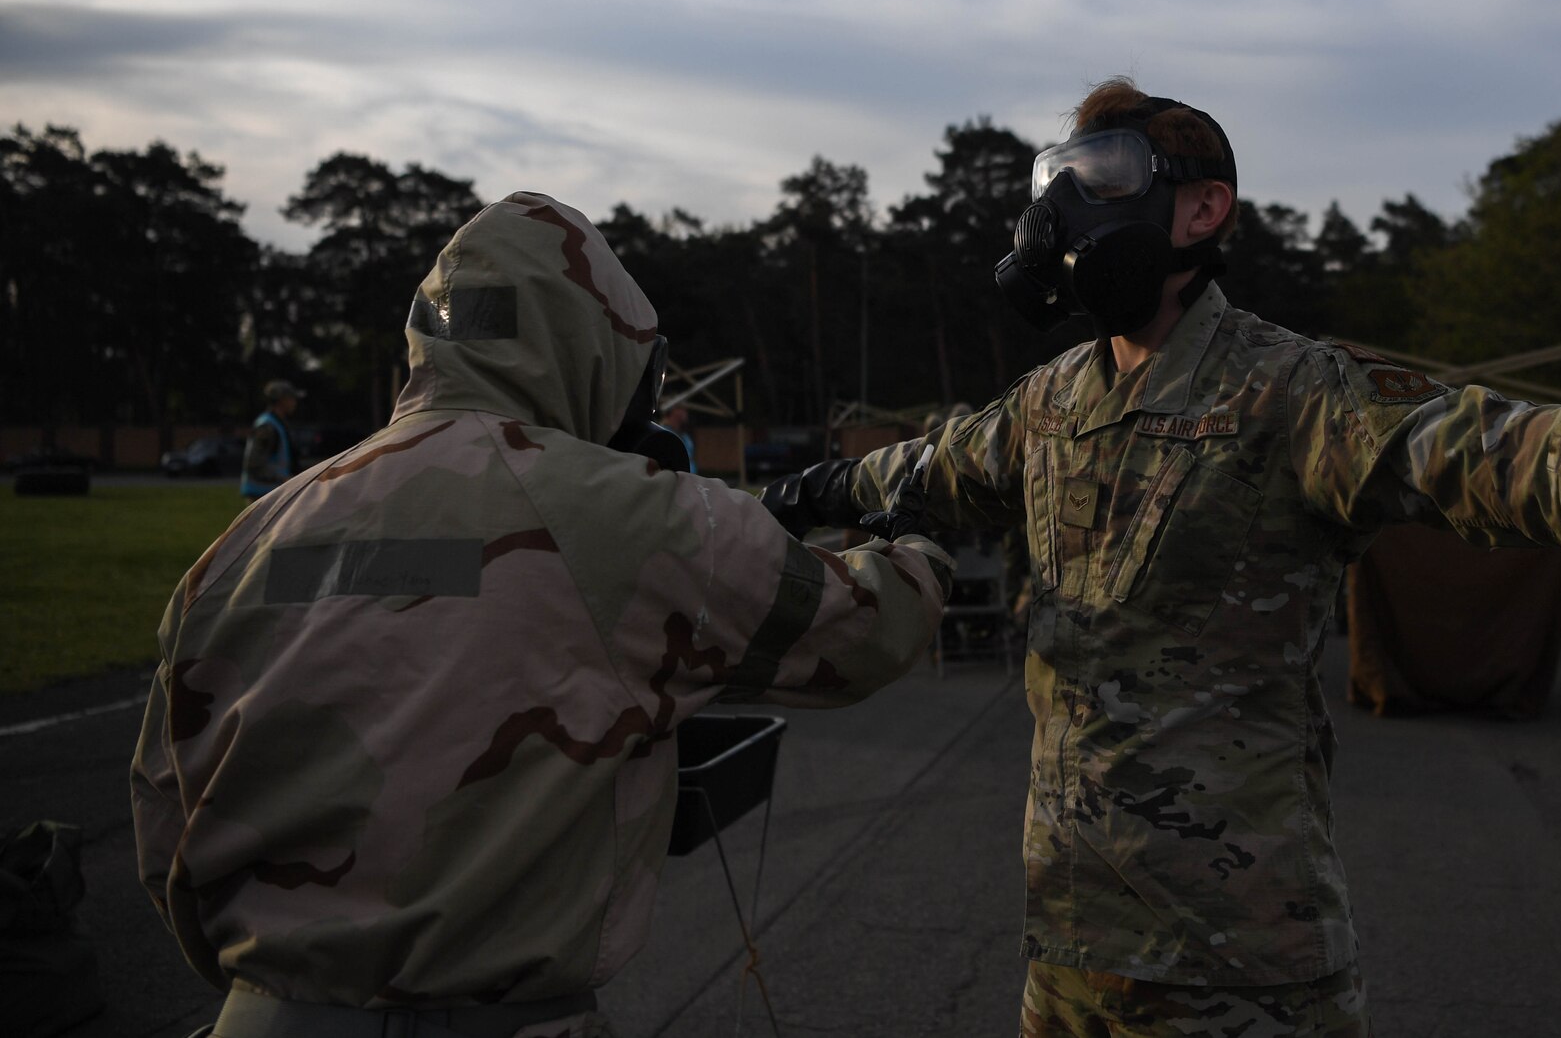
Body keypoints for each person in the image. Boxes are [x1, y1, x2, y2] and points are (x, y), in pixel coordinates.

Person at [761, 77, 1561, 1038]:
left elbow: (1485, 450)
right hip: (1068, 957)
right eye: (1059, 175)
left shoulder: (1286, 392)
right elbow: (909, 474)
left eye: (1104, 173)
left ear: (1201, 208)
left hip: (1239, 971)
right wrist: (775, 501)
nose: (1065, 205)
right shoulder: (1048, 404)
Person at [132, 192, 949, 1036]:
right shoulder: (633, 514)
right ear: (595, 348)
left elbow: (164, 826)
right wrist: (922, 534)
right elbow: (870, 627)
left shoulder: (246, 543)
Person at [238, 379, 301, 498]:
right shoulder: (268, 427)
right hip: (263, 494)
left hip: (272, 492)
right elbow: (254, 464)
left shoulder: (277, 424)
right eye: (292, 398)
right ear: (282, 400)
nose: (295, 402)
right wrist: (283, 479)